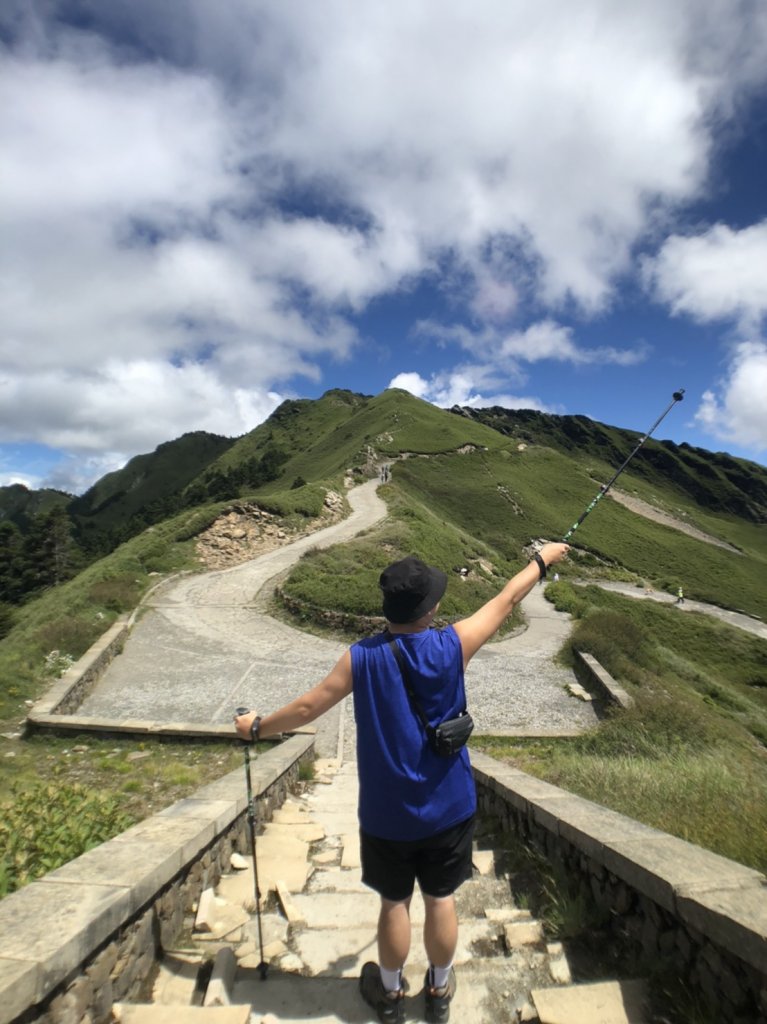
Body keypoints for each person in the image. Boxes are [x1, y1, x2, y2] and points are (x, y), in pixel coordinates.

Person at [235, 541, 569, 1023]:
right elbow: (509, 598)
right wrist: (542, 560)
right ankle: (438, 989)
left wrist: (256, 726)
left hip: (387, 813)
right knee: (441, 900)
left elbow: (308, 708)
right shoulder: (453, 644)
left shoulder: (360, 658)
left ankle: (389, 994)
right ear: (430, 607)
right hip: (449, 805)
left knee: (394, 903)